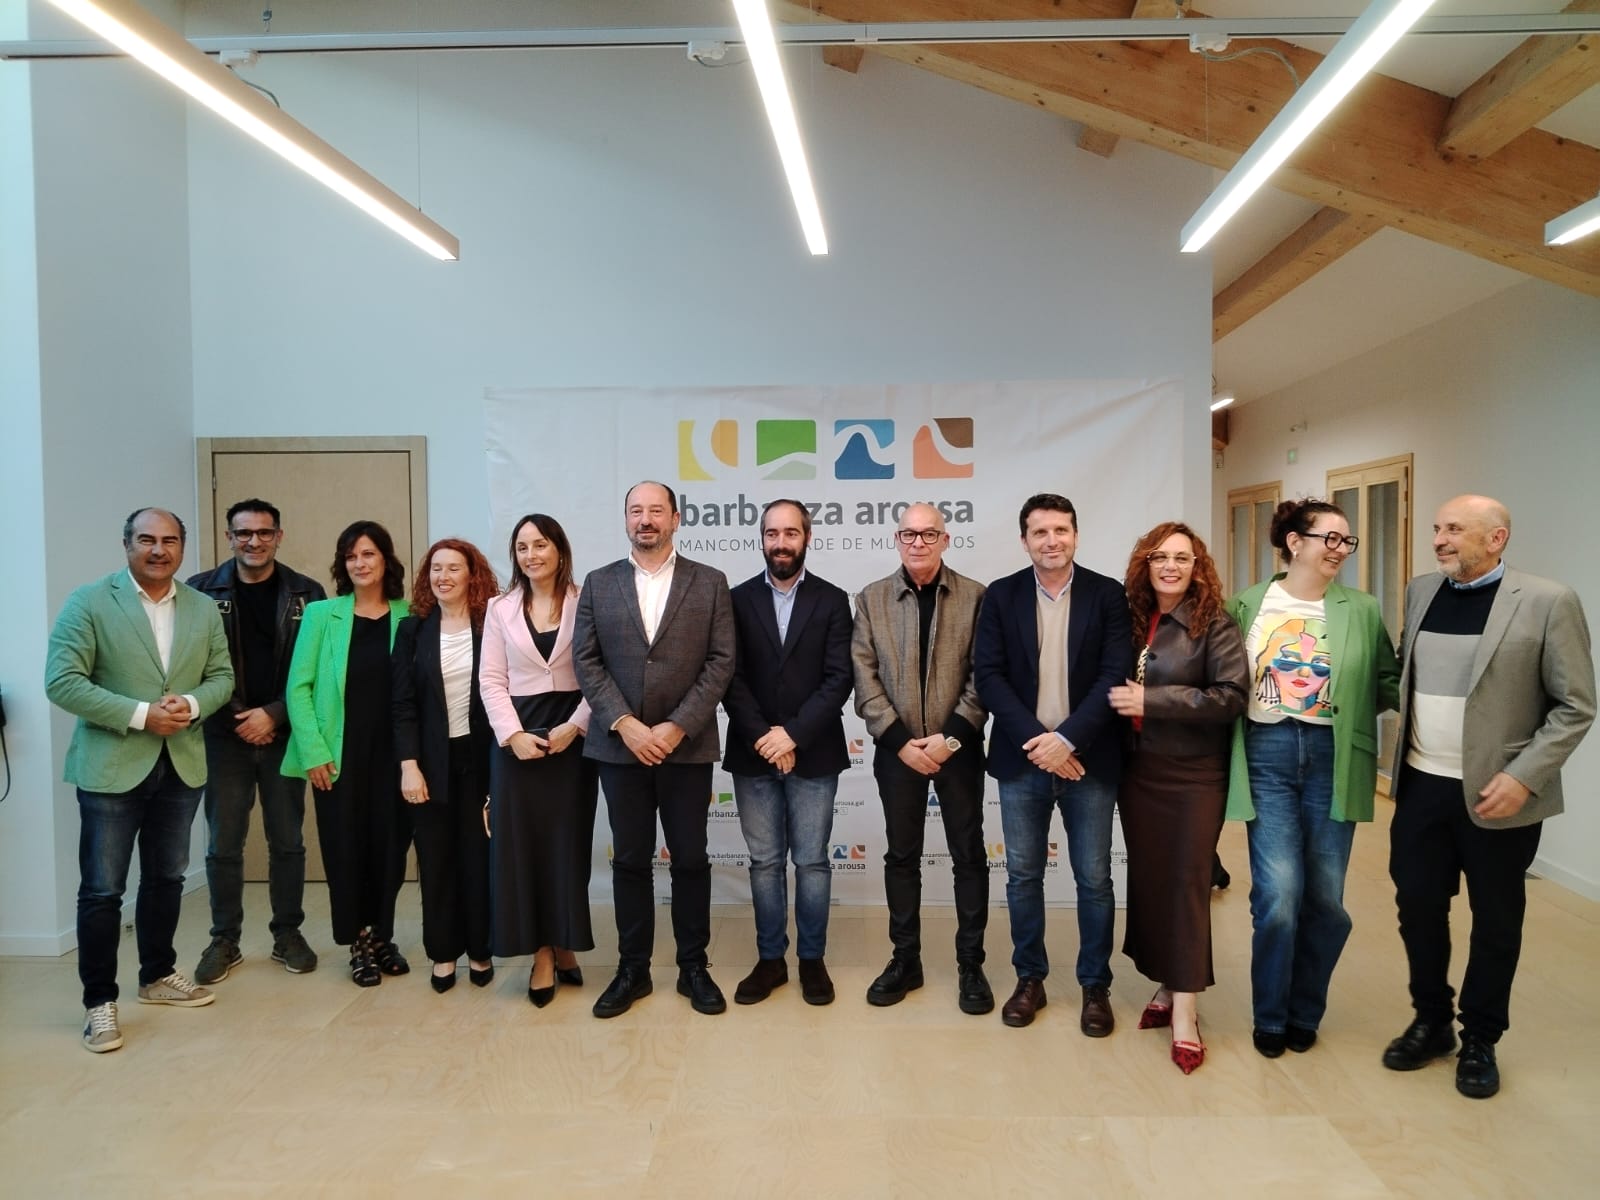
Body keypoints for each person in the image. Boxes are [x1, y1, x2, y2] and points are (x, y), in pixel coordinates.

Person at [1381, 494, 1594, 1098]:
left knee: (1496, 919)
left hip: (1500, 794)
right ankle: (1431, 1020)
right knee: (1418, 907)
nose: (1439, 539)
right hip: (1421, 785)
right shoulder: (1422, 591)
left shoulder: (1549, 601)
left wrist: (1524, 776)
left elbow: (1576, 705)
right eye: (1437, 528)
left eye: (1454, 529)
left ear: (1496, 538)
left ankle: (1480, 1037)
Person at [45, 508, 234, 1052]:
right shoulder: (89, 601)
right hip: (112, 767)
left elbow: (222, 677)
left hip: (181, 764)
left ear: (182, 547)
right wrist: (139, 714)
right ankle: (99, 1003)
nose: (158, 550)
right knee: (103, 890)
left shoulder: (201, 606)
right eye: (146, 539)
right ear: (126, 544)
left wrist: (191, 704)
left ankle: (157, 975)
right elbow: (62, 681)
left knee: (166, 879)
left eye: (169, 540)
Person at [1226, 498, 1400, 1058]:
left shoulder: (1362, 609)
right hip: (1266, 751)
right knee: (1278, 895)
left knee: (1325, 900)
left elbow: (1387, 681)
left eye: (1347, 541)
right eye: (1330, 538)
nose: (1340, 549)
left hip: (1334, 756)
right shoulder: (1248, 604)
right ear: (1294, 542)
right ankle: (1271, 1015)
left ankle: (1305, 1010)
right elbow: (1224, 683)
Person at [573, 481, 735, 1018]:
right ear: (625, 519)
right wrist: (625, 724)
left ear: (676, 518)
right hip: (621, 749)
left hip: (685, 749)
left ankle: (693, 967)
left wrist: (676, 727)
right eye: (636, 511)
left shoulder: (709, 582)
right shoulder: (599, 583)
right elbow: (586, 661)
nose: (646, 519)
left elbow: (721, 661)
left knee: (690, 859)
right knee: (629, 861)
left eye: (656, 511)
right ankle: (632, 969)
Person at [974, 494, 1130, 1035]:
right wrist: (1041, 743)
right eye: (1039, 532)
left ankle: (1095, 986)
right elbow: (989, 676)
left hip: (1089, 761)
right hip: (1023, 761)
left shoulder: (1108, 594)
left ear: (1076, 535)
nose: (1051, 540)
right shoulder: (1001, 595)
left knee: (1094, 878)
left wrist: (1067, 741)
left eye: (1061, 530)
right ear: (1024, 541)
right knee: (1023, 876)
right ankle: (1030, 979)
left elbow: (1113, 674)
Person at [1108, 522, 1247, 1074]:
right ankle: (1168, 983)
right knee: (1153, 882)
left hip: (1194, 775)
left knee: (1188, 884)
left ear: (1197, 566)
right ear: (1144, 564)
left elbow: (1230, 696)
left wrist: (1154, 700)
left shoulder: (1215, 622)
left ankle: (1186, 1013)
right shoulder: (1131, 617)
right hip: (1137, 772)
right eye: (1160, 557)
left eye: (1182, 558)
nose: (1170, 566)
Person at [853, 502, 990, 1013]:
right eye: (909, 534)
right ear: (897, 539)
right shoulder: (871, 599)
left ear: (945, 540)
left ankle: (971, 964)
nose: (918, 542)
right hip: (898, 752)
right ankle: (905, 960)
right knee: (901, 855)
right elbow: (863, 676)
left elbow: (984, 677)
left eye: (928, 534)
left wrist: (948, 740)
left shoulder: (975, 596)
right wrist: (900, 742)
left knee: (968, 855)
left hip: (959, 749)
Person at [186, 498, 326, 985]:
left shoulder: (307, 593)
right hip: (223, 737)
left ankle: (288, 933)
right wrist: (240, 717)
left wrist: (274, 714)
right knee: (224, 843)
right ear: (229, 537)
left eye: (264, 532)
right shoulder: (200, 591)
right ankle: (224, 939)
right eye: (243, 533)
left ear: (278, 537)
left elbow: (317, 669)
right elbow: (191, 666)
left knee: (287, 840)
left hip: (285, 735)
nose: (254, 541)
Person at [722, 499, 854, 1007]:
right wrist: (766, 737)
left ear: (807, 537)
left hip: (813, 752)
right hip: (752, 752)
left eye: (791, 533)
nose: (781, 543)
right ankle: (771, 960)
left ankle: (811, 960)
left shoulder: (833, 600)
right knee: (765, 863)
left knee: (814, 862)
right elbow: (728, 676)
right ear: (761, 539)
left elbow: (838, 679)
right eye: (772, 533)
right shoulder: (735, 600)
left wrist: (792, 736)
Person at [282, 520, 412, 987]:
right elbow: (298, 688)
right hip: (338, 756)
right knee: (345, 849)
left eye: (368, 554)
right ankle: (357, 941)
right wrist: (313, 752)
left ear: (386, 560)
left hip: (397, 757)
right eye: (351, 556)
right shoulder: (323, 615)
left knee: (390, 850)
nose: (359, 563)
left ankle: (381, 936)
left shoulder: (411, 614)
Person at [480, 514, 599, 1007]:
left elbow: (601, 671)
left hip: (573, 737)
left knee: (567, 846)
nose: (532, 555)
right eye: (523, 547)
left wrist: (578, 725)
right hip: (518, 738)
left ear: (559, 549)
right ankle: (542, 954)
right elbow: (491, 680)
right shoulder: (499, 607)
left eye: (541, 545)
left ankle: (565, 941)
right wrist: (512, 736)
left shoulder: (587, 599)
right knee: (523, 849)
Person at [392, 538, 498, 994]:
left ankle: (480, 949)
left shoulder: (491, 624)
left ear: (472, 575)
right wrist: (408, 765)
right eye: (436, 568)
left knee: (478, 859)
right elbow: (401, 703)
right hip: (429, 762)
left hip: (482, 759)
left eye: (454, 568)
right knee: (436, 860)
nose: (443, 576)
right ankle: (442, 953)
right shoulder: (412, 630)